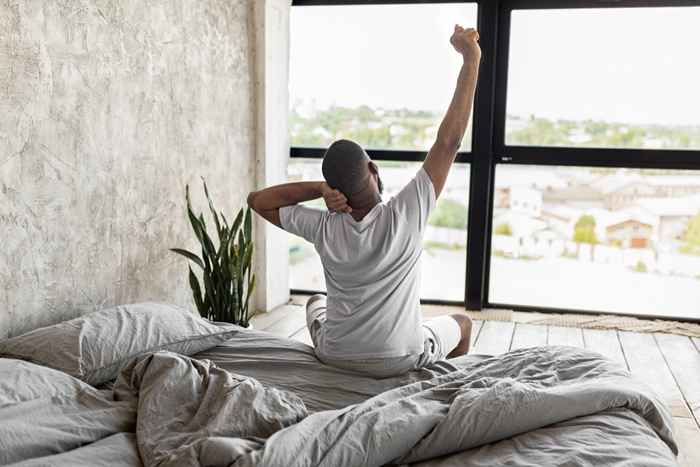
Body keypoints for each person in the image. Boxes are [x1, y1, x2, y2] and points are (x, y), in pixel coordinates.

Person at [248, 25, 481, 377]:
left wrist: (319, 189)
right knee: (461, 323)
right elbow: (448, 142)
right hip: (400, 356)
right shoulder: (408, 211)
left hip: (337, 354)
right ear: (372, 168)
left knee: (315, 302)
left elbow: (258, 201)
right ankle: (444, 390)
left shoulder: (322, 226)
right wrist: (471, 58)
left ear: (335, 187)